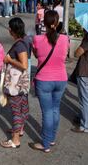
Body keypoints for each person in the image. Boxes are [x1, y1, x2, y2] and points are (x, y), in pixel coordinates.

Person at [30, 10, 68, 152]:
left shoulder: (37, 39)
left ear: (43, 23)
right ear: (57, 23)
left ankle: (45, 144)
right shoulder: (65, 39)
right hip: (61, 79)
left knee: (47, 111)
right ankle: (51, 138)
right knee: (55, 109)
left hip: (44, 80)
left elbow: (36, 54)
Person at [0, 17, 29, 149]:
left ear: (12, 30)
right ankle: (20, 130)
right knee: (23, 108)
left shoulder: (20, 45)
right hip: (21, 83)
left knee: (16, 110)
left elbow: (24, 65)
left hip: (15, 85)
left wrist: (8, 60)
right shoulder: (25, 41)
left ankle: (15, 139)